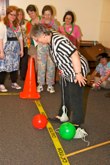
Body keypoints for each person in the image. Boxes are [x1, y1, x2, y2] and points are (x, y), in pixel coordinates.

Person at [30, 24, 89, 132]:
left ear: (43, 35)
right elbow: (61, 56)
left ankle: (76, 124)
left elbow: (74, 55)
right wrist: (62, 67)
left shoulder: (58, 41)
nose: (37, 42)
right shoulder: (50, 38)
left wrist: (78, 73)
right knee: (65, 94)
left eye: (37, 39)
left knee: (75, 98)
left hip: (77, 70)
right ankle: (62, 115)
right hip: (68, 69)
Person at [0, 6, 23, 92]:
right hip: (6, 48)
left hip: (15, 48)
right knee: (4, 67)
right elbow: (1, 39)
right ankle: (1, 84)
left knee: (15, 66)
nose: (13, 16)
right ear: (7, 14)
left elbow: (20, 38)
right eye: (11, 14)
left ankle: (14, 82)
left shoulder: (17, 24)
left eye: (15, 15)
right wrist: (1, 52)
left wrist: (22, 49)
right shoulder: (2, 24)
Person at [36, 5, 58, 93]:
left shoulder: (55, 24)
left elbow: (57, 35)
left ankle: (50, 85)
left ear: (52, 15)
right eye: (46, 14)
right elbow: (36, 35)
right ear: (43, 15)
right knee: (41, 66)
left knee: (51, 66)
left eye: (49, 14)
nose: (47, 16)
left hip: (51, 47)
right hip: (41, 47)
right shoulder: (39, 23)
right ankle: (40, 84)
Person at [17, 8, 29, 80]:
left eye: (21, 14)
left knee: (24, 62)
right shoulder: (13, 23)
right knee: (17, 62)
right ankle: (14, 77)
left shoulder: (26, 22)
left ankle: (23, 76)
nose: (20, 16)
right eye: (18, 14)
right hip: (16, 46)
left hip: (25, 45)